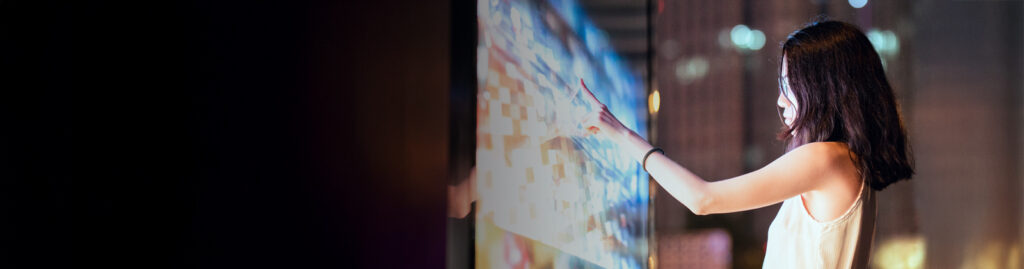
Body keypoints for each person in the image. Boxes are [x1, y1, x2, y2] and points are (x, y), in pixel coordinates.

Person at [580, 20, 913, 269]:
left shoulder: (824, 158)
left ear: (822, 87)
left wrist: (620, 133)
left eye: (789, 84)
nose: (781, 100)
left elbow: (703, 199)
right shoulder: (849, 163)